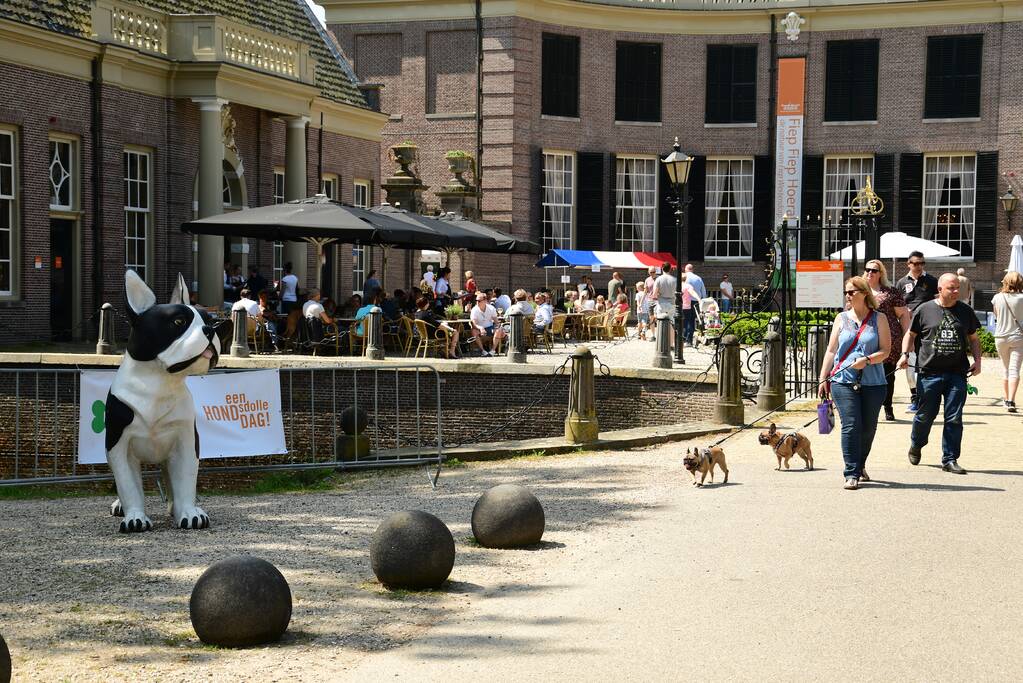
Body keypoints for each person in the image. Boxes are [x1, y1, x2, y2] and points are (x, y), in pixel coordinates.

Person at [897, 273, 981, 475]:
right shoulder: (924, 310)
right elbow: (911, 334)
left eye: (957, 288)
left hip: (957, 373)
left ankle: (950, 458)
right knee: (925, 415)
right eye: (951, 288)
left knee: (954, 418)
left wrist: (978, 360)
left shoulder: (965, 311)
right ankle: (916, 444)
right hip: (929, 372)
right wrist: (904, 355)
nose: (955, 292)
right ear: (940, 289)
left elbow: (974, 339)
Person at [818, 276, 892, 490]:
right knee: (851, 425)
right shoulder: (841, 318)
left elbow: (886, 351)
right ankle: (851, 472)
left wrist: (868, 360)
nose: (848, 296)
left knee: (868, 428)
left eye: (852, 292)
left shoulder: (879, 319)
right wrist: (824, 377)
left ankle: (860, 464)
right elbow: (831, 351)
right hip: (842, 380)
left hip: (873, 382)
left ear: (864, 293)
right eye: (846, 292)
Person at [864, 259, 911, 421]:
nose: (870, 272)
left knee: (887, 375)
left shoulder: (890, 292)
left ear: (880, 273)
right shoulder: (859, 290)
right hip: (864, 339)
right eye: (868, 269)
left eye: (874, 270)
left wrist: (907, 337)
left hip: (889, 338)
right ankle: (868, 407)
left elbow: (904, 315)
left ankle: (888, 406)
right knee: (865, 372)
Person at [894, 251, 939, 413]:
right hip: (908, 328)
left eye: (921, 263)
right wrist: (905, 311)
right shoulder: (901, 283)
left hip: (927, 328)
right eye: (915, 263)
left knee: (927, 362)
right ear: (909, 264)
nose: (919, 266)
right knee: (910, 363)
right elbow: (897, 306)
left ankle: (926, 396)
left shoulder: (932, 281)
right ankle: (915, 396)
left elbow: (938, 302)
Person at [992, 271, 1023, 412]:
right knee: (1014, 369)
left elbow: (996, 314)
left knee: (1005, 368)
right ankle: (1011, 400)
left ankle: (1006, 399)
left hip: (1000, 336)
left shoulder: (997, 297)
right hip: (1017, 336)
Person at [652, 262, 677, 349]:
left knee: (660, 323)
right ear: (670, 269)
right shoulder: (675, 279)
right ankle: (671, 344)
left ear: (662, 269)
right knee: (671, 323)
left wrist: (657, 295)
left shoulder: (658, 279)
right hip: (672, 303)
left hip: (662, 303)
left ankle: (660, 343)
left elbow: (654, 294)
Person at [680, 274, 699, 345]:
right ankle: (687, 340)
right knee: (688, 323)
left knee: (679, 324)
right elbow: (692, 293)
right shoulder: (688, 286)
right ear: (686, 279)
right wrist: (698, 299)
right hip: (686, 307)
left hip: (677, 307)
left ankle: (679, 340)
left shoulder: (676, 286)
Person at [644, 266, 659, 341]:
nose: (652, 274)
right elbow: (645, 291)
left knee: (657, 317)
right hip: (650, 300)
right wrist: (641, 301)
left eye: (653, 272)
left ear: (656, 272)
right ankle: (653, 335)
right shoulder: (647, 280)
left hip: (658, 300)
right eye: (651, 272)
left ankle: (659, 334)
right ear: (648, 272)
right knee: (651, 318)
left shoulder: (659, 279)